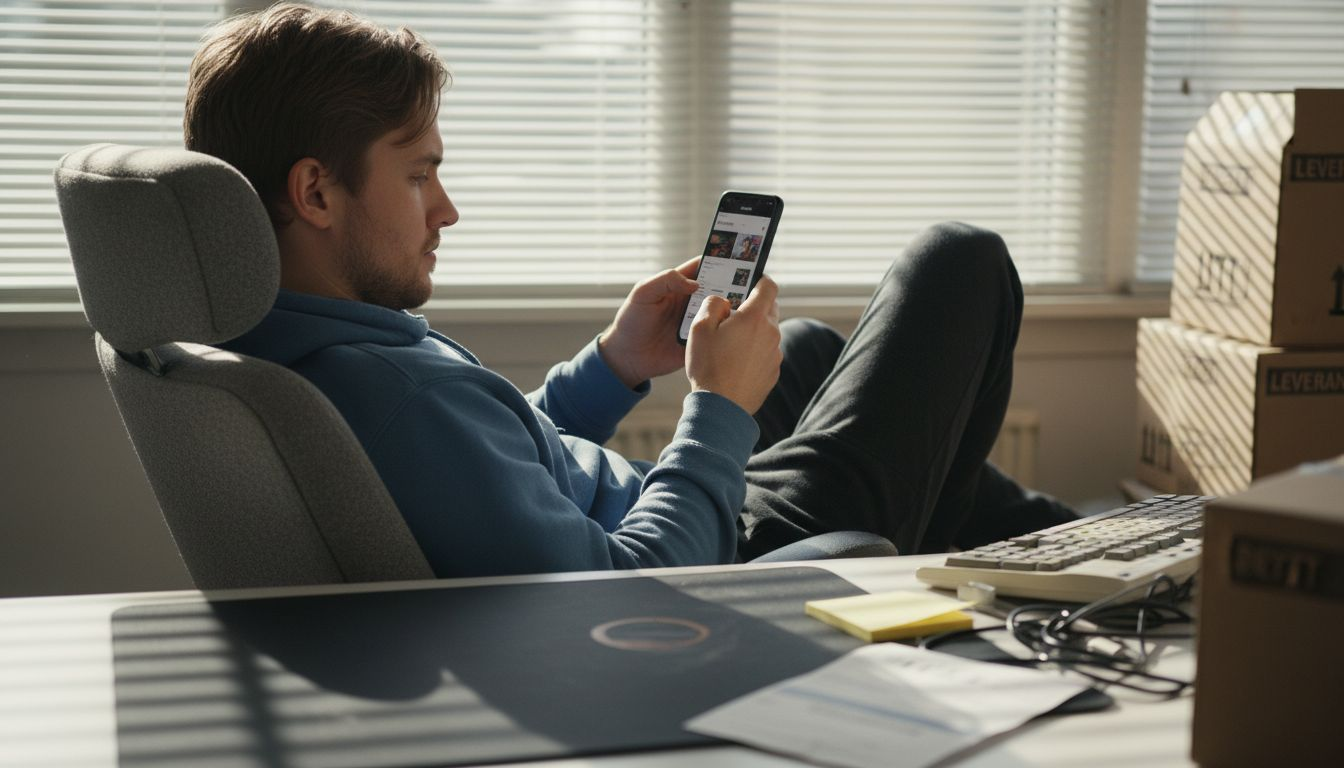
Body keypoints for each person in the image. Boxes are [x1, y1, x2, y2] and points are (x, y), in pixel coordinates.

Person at [189, 3, 1073, 577]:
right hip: (720, 557)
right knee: (959, 262)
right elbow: (628, 591)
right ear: (314, 193)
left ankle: (1062, 537)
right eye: (420, 176)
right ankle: (1072, 547)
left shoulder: (297, 338)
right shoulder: (393, 397)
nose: (447, 210)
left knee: (802, 346)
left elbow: (501, 463)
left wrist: (613, 365)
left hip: (669, 510)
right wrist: (717, 405)